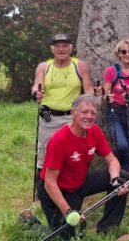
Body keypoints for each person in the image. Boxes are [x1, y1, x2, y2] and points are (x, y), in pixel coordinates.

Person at [39, 95, 129, 239]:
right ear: (73, 113)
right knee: (66, 237)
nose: (89, 116)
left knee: (123, 177)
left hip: (80, 182)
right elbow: (49, 184)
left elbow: (112, 159)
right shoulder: (58, 141)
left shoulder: (94, 131)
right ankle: (30, 222)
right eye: (84, 112)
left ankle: (107, 229)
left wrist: (115, 180)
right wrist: (68, 211)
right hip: (56, 191)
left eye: (93, 113)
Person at [32, 34, 96, 171]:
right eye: (57, 46)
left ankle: (68, 188)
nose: (61, 49)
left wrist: (93, 99)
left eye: (65, 46)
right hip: (49, 118)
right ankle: (42, 190)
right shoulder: (44, 67)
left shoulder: (80, 66)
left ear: (71, 48)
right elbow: (37, 84)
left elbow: (88, 89)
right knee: (44, 155)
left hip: (71, 119)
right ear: (52, 49)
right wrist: (36, 93)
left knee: (72, 154)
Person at [102, 39, 129, 174]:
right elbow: (106, 94)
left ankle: (126, 180)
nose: (127, 54)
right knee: (122, 145)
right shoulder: (112, 71)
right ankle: (113, 173)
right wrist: (108, 97)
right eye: (124, 51)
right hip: (115, 113)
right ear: (118, 54)